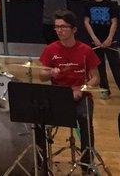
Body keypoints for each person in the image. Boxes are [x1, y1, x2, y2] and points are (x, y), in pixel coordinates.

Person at [40, 10, 100, 166]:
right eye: (57, 27)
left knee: (85, 118)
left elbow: (96, 78)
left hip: (81, 95)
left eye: (63, 27)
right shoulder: (50, 49)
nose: (59, 30)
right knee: (37, 118)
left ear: (74, 29)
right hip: (58, 94)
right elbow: (41, 75)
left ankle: (87, 163)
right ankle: (42, 162)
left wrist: (81, 89)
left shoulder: (86, 50)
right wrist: (50, 72)